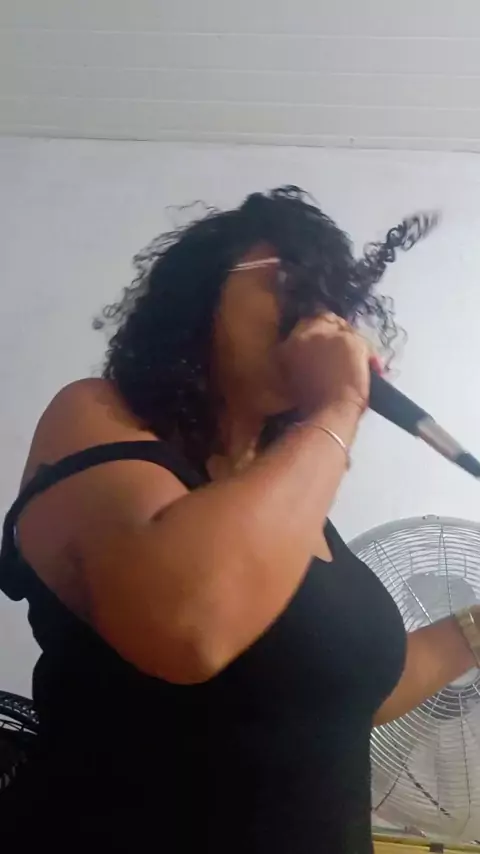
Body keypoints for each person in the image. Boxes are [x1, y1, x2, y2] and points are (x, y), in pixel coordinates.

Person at [0, 186, 477, 853]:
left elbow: (337, 694)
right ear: (200, 289)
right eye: (291, 282)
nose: (321, 316)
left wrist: (472, 630)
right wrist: (337, 408)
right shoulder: (95, 415)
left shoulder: (280, 495)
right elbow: (188, 625)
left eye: (333, 299)